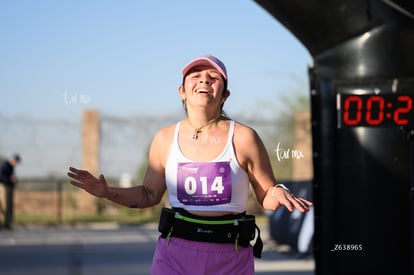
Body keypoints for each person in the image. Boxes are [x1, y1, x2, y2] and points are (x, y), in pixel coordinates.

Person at [67, 54, 313, 274]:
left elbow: (266, 195)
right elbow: (149, 194)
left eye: (213, 77)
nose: (204, 80)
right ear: (182, 91)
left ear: (225, 94)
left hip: (230, 256)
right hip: (174, 254)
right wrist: (107, 192)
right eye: (195, 76)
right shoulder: (164, 139)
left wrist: (278, 191)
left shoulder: (244, 137)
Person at [0, 154, 21, 230]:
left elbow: (12, 177)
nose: (16, 163)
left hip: (8, 187)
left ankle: (7, 223)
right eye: (16, 161)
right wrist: (10, 179)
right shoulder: (5, 166)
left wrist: (13, 180)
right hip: (3, 187)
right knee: (3, 205)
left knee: (8, 205)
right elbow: (1, 177)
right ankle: (2, 223)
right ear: (13, 159)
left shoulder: (11, 167)